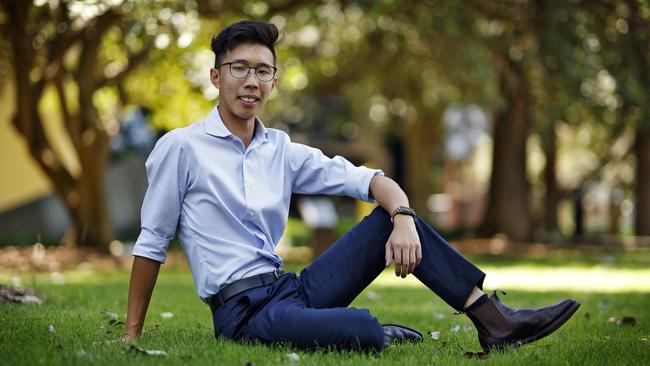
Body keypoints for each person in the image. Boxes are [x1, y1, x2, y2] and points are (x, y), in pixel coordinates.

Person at [122, 20, 579, 352]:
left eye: (262, 71)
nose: (251, 81)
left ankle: (494, 321)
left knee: (389, 218)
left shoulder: (281, 149)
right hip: (242, 314)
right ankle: (372, 331)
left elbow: (371, 180)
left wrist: (401, 219)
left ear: (274, 82)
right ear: (215, 76)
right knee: (359, 329)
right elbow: (153, 240)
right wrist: (130, 337)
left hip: (291, 290)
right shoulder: (180, 147)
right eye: (239, 68)